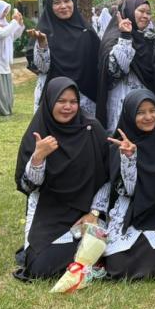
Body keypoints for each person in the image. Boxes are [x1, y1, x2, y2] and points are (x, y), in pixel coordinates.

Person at [13, 77, 110, 280]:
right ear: (49, 102)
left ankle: (94, 250)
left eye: (73, 101)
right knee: (39, 266)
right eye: (61, 101)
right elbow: (28, 186)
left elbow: (108, 177)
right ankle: (92, 256)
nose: (68, 107)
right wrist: (38, 158)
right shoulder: (38, 133)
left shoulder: (91, 129)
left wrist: (95, 212)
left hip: (87, 209)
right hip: (49, 210)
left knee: (119, 256)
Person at [103, 90, 155, 279]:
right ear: (130, 115)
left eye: (152, 111)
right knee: (118, 267)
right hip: (130, 209)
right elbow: (129, 190)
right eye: (140, 112)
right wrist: (129, 158)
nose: (148, 117)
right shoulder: (119, 146)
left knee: (152, 267)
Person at [26, 0, 101, 117]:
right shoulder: (43, 32)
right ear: (49, 6)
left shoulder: (86, 31)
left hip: (85, 97)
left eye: (67, 1)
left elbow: (99, 64)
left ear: (73, 2)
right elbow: (42, 68)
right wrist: (42, 45)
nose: (63, 6)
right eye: (57, 2)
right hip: (54, 95)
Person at [96, 0, 155, 131]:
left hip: (144, 102)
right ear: (128, 11)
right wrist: (125, 36)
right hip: (120, 100)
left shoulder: (149, 39)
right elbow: (116, 70)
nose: (145, 16)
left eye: (148, 13)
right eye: (141, 11)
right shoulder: (114, 37)